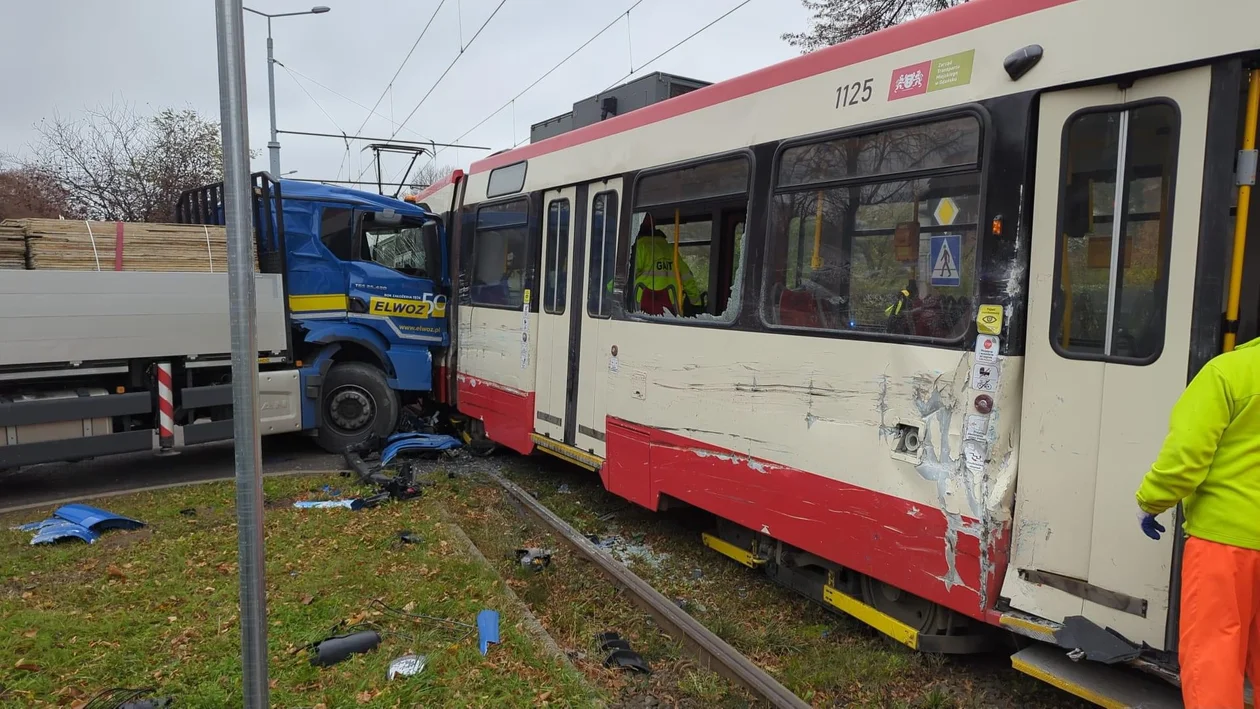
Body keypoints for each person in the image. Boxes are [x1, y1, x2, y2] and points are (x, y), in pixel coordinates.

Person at [1135, 336, 1260, 709]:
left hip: (1224, 544)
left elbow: (1185, 458)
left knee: (1214, 658)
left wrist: (1150, 502)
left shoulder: (1229, 372)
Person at [630, 214, 702, 315]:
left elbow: (624, 275)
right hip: (671, 308)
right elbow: (687, 277)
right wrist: (696, 303)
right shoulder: (670, 249)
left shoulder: (639, 248)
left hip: (642, 307)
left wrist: (607, 291)